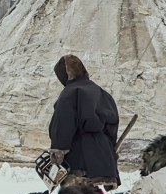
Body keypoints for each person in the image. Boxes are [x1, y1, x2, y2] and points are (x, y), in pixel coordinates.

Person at [48, 54, 121, 185]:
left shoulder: (70, 93)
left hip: (78, 159)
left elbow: (63, 125)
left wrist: (58, 150)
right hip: (104, 161)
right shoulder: (103, 93)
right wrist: (109, 151)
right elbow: (112, 128)